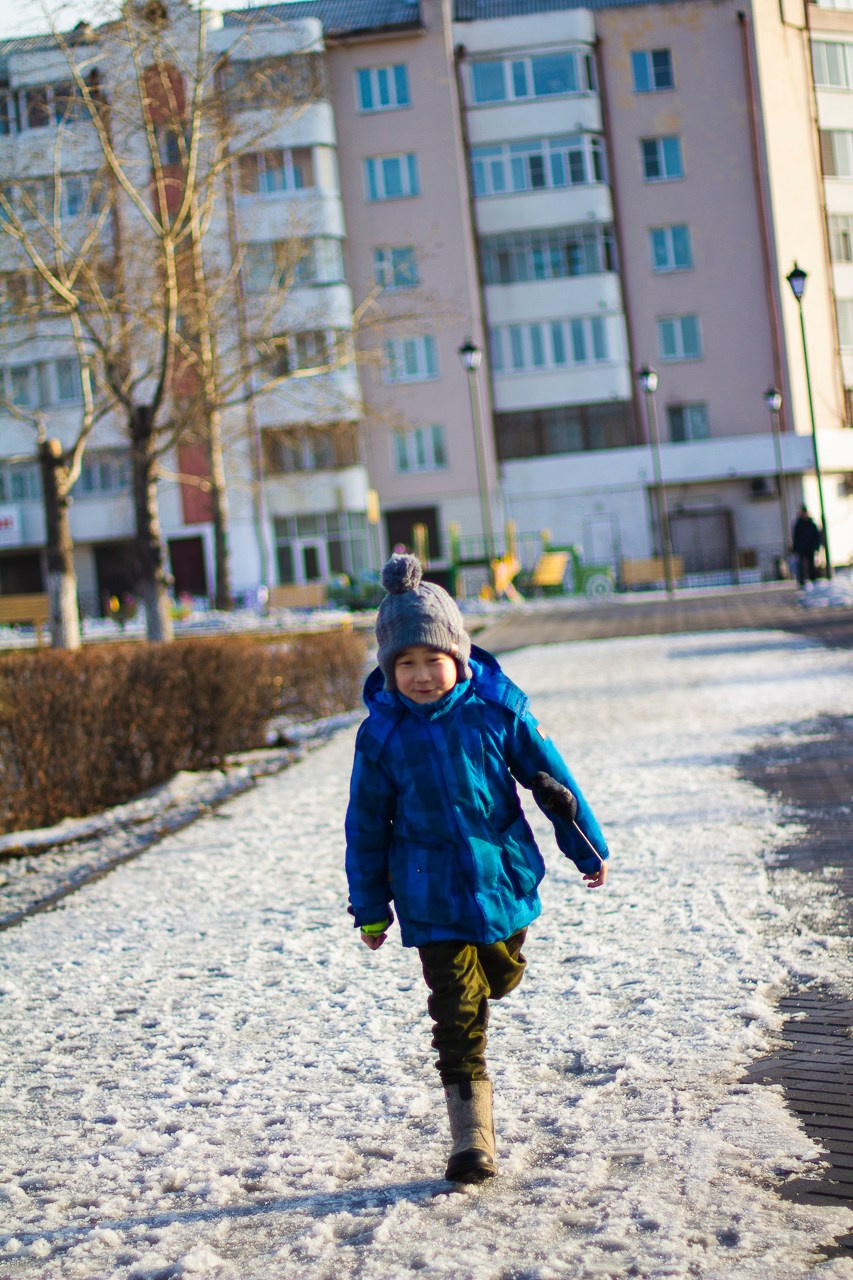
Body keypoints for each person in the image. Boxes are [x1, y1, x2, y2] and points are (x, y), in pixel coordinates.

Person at [345, 553, 609, 1184]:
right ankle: (472, 1139)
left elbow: (554, 784)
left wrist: (586, 847)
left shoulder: (496, 711)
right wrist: (371, 908)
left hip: (502, 879)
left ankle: (500, 965)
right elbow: (365, 827)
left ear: (458, 656)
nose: (420, 675)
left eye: (431, 659)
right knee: (456, 1015)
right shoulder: (381, 737)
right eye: (404, 663)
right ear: (388, 669)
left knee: (499, 974)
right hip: (429, 895)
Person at [791, 505, 822, 586]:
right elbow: (795, 537)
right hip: (801, 549)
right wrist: (795, 548)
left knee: (811, 565)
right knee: (801, 565)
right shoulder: (798, 525)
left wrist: (816, 547)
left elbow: (816, 537)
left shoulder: (812, 525)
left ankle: (813, 580)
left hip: (810, 548)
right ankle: (802, 581)